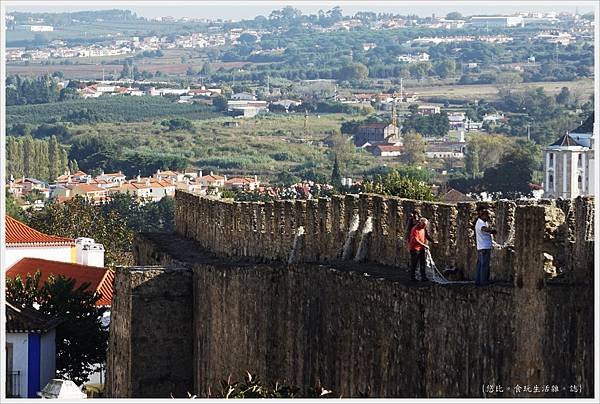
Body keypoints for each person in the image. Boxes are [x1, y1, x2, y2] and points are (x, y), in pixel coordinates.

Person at [475, 208, 497, 286]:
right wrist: (492, 231)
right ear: (483, 215)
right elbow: (483, 229)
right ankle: (484, 281)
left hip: (482, 246)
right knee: (484, 265)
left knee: (480, 264)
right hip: (484, 247)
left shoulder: (483, 222)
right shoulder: (480, 223)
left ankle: (478, 280)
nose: (489, 217)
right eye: (488, 216)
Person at [408, 217, 429, 282]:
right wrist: (424, 245)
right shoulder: (415, 229)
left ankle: (423, 277)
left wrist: (432, 240)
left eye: (425, 225)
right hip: (414, 249)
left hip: (421, 248)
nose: (424, 226)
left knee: (423, 263)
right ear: (420, 223)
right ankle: (412, 278)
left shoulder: (423, 228)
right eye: (423, 225)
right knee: (414, 263)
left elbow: (426, 235)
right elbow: (415, 240)